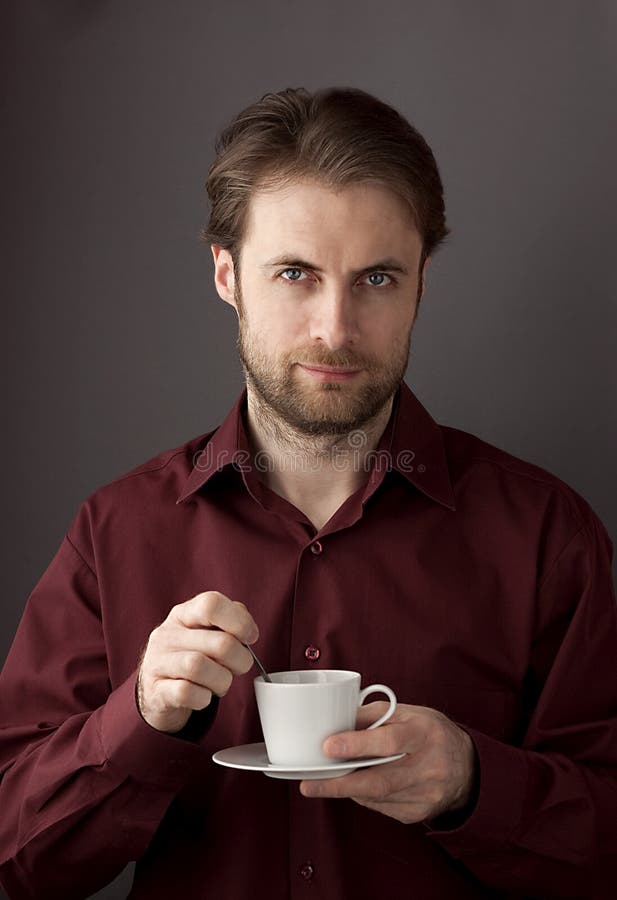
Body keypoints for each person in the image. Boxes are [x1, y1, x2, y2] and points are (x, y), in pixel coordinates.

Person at [0, 86, 615, 900]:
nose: (334, 326)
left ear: (422, 281)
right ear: (226, 274)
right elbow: (20, 860)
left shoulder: (546, 533)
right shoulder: (115, 530)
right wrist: (140, 718)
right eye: (295, 272)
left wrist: (474, 784)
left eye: (377, 278)